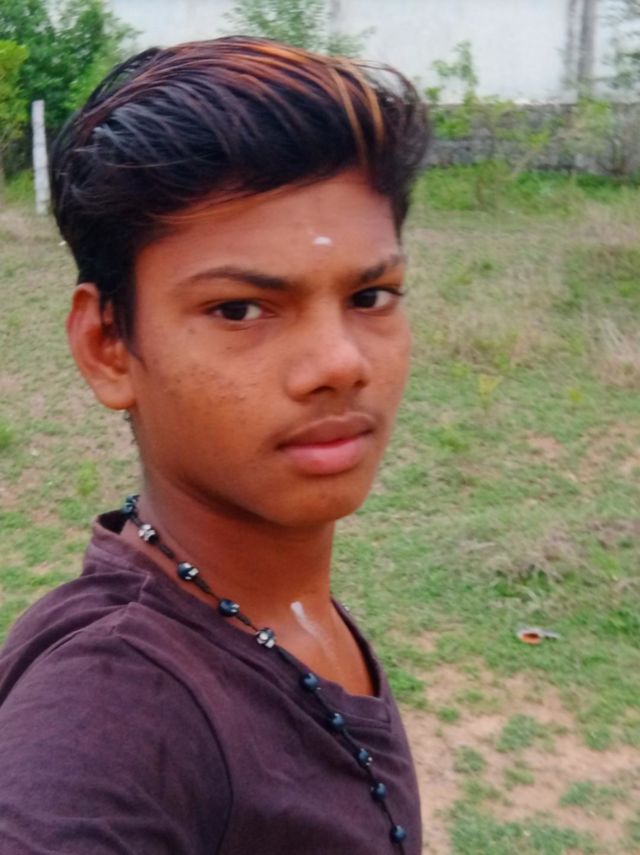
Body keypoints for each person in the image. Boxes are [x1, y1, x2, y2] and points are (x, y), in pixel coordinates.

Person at [0, 36, 428, 854]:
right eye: (239, 309)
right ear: (108, 345)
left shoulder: (281, 604)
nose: (340, 363)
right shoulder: (108, 716)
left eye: (371, 295)